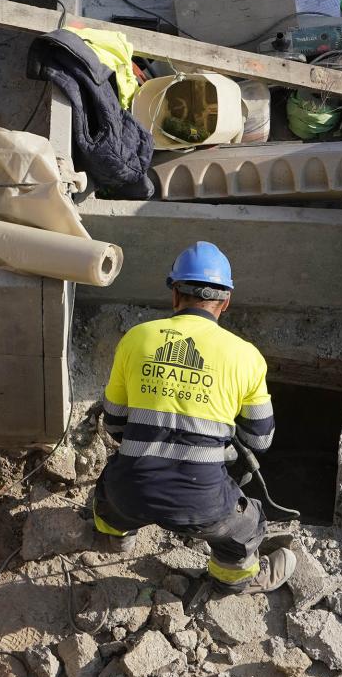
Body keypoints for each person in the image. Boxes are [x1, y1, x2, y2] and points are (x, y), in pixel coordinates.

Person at [90, 242, 297, 594]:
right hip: (202, 503)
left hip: (132, 490)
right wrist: (218, 447)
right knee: (248, 525)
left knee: (110, 493)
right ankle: (236, 579)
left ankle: (115, 539)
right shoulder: (246, 356)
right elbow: (260, 440)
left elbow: (114, 424)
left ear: (175, 295)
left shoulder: (136, 339)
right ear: (225, 302)